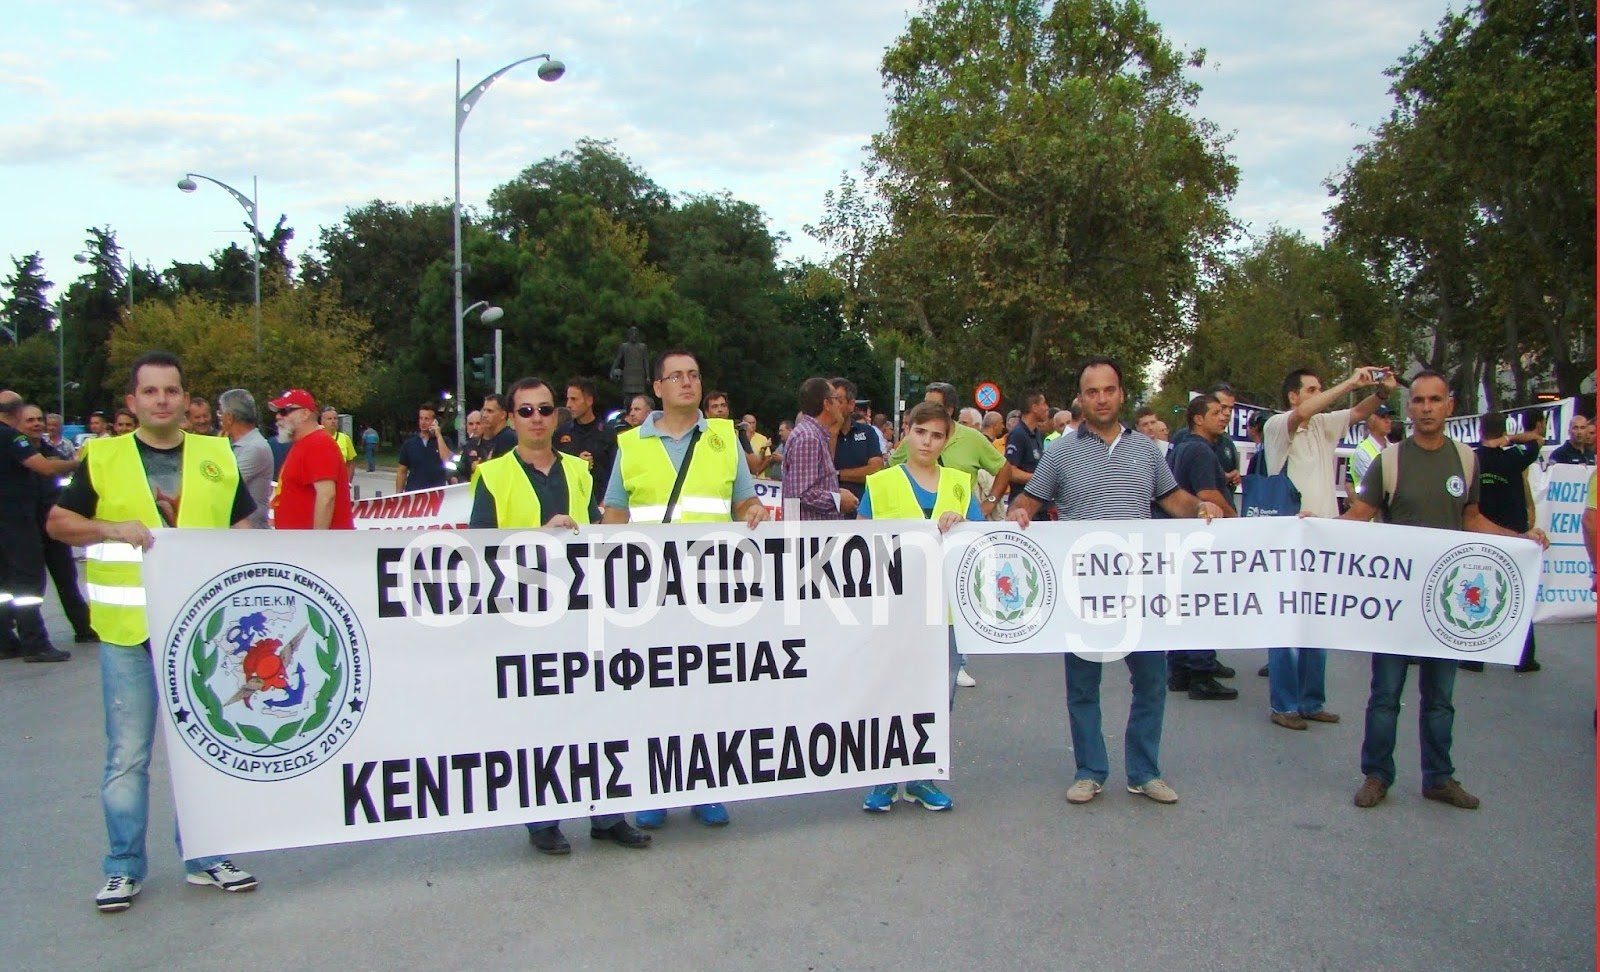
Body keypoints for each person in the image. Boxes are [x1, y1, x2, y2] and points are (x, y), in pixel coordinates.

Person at [46, 350, 260, 913]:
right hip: (129, 632)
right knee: (128, 755)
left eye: (171, 391)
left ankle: (206, 853)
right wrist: (108, 527)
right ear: (132, 401)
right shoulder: (104, 456)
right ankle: (122, 866)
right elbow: (59, 523)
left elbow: (244, 524)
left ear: (186, 400)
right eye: (150, 392)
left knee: (206, 753)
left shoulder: (217, 455)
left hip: (203, 635)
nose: (162, 400)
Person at [1007, 356, 1221, 807]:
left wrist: (1203, 508)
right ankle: (1089, 770)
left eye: (1109, 390)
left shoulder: (1147, 450)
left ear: (1122, 394)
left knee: (1150, 682)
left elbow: (1174, 500)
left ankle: (1145, 771)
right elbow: (1029, 500)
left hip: (1138, 589)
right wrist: (1018, 513)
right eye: (1092, 391)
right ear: (1080, 398)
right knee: (1083, 686)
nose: (1101, 398)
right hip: (1082, 588)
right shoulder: (1061, 451)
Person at [1341, 371, 1549, 811]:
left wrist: (1519, 538)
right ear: (1409, 408)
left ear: (1449, 406)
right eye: (1418, 401)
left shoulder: (1466, 461)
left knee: (1440, 698)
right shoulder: (1390, 462)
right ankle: (1377, 774)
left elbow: (1472, 520)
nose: (1427, 408)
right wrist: (1308, 532)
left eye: (1435, 400)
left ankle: (1439, 777)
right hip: (1397, 603)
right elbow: (1359, 515)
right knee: (1385, 696)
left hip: (1445, 603)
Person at [470, 377, 652, 855]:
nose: (537, 419)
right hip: (525, 614)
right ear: (510, 418)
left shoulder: (578, 470)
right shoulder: (492, 476)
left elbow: (593, 529)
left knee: (599, 715)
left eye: (545, 410)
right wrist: (537, 534)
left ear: (558, 416)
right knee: (539, 723)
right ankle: (542, 820)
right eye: (525, 411)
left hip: (581, 609)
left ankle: (608, 814)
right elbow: (479, 553)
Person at [601, 349, 768, 830]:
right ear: (657, 387)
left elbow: (742, 500)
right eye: (676, 376)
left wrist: (752, 512)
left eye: (694, 375)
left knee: (708, 690)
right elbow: (615, 513)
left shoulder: (722, 436)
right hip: (649, 588)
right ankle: (655, 789)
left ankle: (707, 787)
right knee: (654, 690)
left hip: (712, 587)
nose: (687, 383)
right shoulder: (631, 444)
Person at [857, 400, 981, 813]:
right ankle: (884, 778)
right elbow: (859, 547)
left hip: (945, 610)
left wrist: (963, 525)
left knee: (938, 697)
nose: (927, 442)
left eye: (937, 435)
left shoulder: (961, 484)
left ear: (948, 440)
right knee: (887, 691)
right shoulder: (881, 484)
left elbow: (982, 544)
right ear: (906, 431)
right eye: (921, 432)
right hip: (894, 610)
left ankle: (920, 776)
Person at [1261, 366, 1396, 730]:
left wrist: (1381, 392)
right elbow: (1305, 413)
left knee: (1317, 622)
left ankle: (1310, 700)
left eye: (1320, 388)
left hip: (1323, 535)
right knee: (1287, 625)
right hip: (1289, 536)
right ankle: (1284, 704)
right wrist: (1350, 383)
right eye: (1311, 388)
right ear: (1293, 396)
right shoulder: (1278, 425)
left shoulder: (1324, 424)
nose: (1319, 394)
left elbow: (1359, 413)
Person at [1163, 394, 1240, 700]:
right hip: (1201, 536)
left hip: (1182, 535)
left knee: (1185, 604)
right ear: (1198, 418)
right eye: (1217, 412)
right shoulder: (1202, 451)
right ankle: (1201, 673)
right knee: (1202, 603)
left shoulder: (1182, 448)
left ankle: (1180, 669)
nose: (1224, 417)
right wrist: (1235, 518)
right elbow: (1208, 493)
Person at [1464, 410, 1546, 673]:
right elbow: (1537, 439)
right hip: (1513, 533)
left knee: (1478, 592)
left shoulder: (1473, 459)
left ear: (1479, 431)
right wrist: (1509, 440)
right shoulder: (1514, 457)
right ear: (1502, 431)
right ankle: (1524, 658)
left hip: (1481, 531)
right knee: (1517, 593)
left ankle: (1474, 657)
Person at [0, 395, 79, 662]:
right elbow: (43, 467)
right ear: (17, 412)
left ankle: (4, 640)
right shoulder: (11, 437)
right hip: (16, 521)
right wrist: (76, 463)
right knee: (28, 583)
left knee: (4, 584)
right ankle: (35, 643)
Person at [18, 403, 95, 645]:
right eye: (30, 420)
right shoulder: (16, 453)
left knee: (67, 578)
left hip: (53, 527)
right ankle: (29, 638)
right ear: (19, 425)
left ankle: (85, 628)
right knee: (30, 586)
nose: (37, 424)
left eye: (39, 419)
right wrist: (79, 462)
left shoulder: (52, 450)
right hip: (24, 530)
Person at [271, 390, 354, 530]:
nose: (278, 416)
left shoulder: (318, 443)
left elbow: (327, 496)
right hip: (299, 544)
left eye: (285, 411)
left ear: (305, 414)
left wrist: (317, 542)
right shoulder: (303, 444)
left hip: (313, 546)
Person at [782, 378, 854, 519]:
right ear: (827, 404)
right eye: (837, 399)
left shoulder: (812, 434)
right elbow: (802, 492)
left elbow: (806, 486)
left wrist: (835, 492)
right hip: (810, 536)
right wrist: (838, 500)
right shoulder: (809, 438)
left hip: (812, 534)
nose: (840, 405)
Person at [217, 388, 273, 530]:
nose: (220, 419)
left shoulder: (255, 448)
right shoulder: (235, 444)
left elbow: (222, 485)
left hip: (250, 535)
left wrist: (216, 451)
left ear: (229, 418)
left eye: (221, 414)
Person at [556, 377, 617, 497]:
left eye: (574, 399)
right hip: (570, 502)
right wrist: (577, 463)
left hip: (600, 502)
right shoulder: (561, 432)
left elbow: (616, 472)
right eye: (568, 399)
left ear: (589, 401)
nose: (568, 405)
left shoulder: (608, 433)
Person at [831, 378, 884, 503]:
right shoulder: (818, 434)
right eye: (829, 400)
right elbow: (820, 474)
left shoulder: (867, 432)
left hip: (863, 506)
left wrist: (837, 475)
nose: (832, 405)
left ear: (851, 404)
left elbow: (875, 470)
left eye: (838, 400)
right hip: (830, 509)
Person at [1003, 390, 1049, 506]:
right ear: (1034, 407)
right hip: (1022, 505)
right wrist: (1039, 478)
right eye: (1043, 404)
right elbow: (1010, 471)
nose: (1046, 408)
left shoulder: (1037, 433)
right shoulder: (1018, 434)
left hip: (1039, 503)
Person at [396, 403, 452, 493]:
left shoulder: (444, 441)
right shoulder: (409, 444)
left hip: (436, 494)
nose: (423, 422)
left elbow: (447, 459)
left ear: (434, 421)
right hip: (414, 493)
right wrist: (398, 495)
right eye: (421, 418)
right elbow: (402, 472)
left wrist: (438, 435)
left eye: (427, 419)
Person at [1348, 405, 1395, 494]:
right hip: (1369, 503)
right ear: (1371, 421)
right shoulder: (1362, 451)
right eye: (1383, 417)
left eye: (1389, 417)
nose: (1388, 421)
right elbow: (1375, 482)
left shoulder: (1393, 448)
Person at [320, 407, 358, 479]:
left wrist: (348, 482)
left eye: (335, 418)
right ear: (322, 421)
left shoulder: (345, 438)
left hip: (341, 482)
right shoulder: (316, 438)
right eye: (329, 419)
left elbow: (350, 462)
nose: (333, 421)